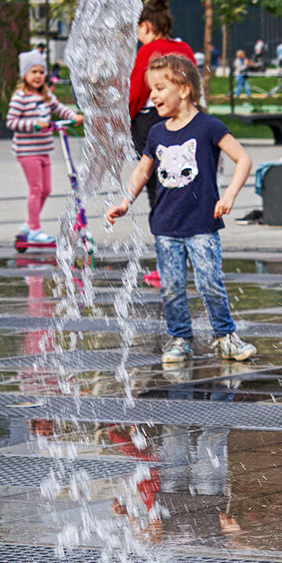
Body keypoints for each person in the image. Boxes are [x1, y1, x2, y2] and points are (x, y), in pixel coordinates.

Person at [107, 54, 257, 365]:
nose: (154, 95)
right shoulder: (157, 132)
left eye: (160, 88)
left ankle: (226, 336)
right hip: (166, 225)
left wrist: (228, 196)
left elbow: (243, 159)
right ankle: (179, 338)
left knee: (209, 282)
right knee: (172, 286)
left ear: (184, 90)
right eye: (152, 90)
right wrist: (125, 200)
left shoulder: (208, 126)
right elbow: (142, 171)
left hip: (202, 222)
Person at [7, 50, 83, 244]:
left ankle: (28, 224)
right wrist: (33, 124)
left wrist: (73, 116)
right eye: (34, 72)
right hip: (27, 151)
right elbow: (12, 122)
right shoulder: (20, 97)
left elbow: (59, 109)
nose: (38, 76)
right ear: (24, 74)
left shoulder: (46, 95)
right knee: (36, 188)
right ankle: (34, 229)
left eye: (41, 72)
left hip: (44, 150)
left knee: (46, 189)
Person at [129, 0, 196, 206]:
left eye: (137, 30)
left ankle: (163, 223)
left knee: (154, 177)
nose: (137, 36)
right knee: (184, 174)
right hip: (184, 118)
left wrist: (124, 120)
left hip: (151, 120)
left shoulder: (148, 51)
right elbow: (195, 84)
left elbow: (137, 94)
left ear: (146, 26)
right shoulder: (184, 48)